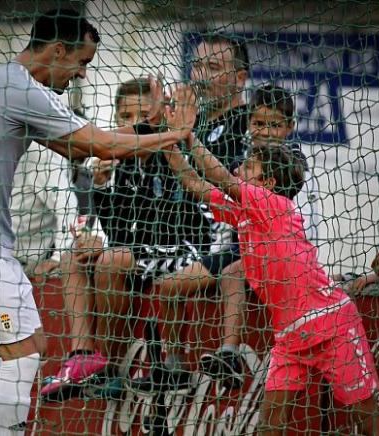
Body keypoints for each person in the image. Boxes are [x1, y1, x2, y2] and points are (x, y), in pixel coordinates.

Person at [0, 9, 192, 435]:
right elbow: (100, 145)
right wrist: (173, 135)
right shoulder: (22, 87)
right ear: (58, 50)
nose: (82, 76)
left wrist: (145, 130)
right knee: (24, 356)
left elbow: (76, 150)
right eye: (82, 63)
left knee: (30, 348)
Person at [160, 85, 379, 435]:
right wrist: (169, 141)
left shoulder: (274, 206)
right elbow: (195, 182)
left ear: (266, 181)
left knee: (371, 424)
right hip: (290, 339)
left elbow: (219, 176)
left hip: (331, 326)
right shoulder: (244, 212)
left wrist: (190, 137)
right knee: (269, 427)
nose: (240, 167)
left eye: (248, 166)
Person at [40, 77, 210, 399]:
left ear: (161, 115)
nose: (135, 125)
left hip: (186, 249)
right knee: (72, 260)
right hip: (142, 254)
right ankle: (81, 356)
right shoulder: (119, 161)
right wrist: (102, 188)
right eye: (126, 118)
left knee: (111, 259)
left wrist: (111, 248)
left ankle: (111, 370)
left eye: (144, 115)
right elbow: (119, 233)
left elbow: (171, 224)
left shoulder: (173, 150)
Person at [193, 85, 323, 388]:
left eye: (274, 124)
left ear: (290, 127)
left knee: (233, 273)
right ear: (249, 122)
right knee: (173, 283)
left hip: (277, 256)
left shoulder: (292, 161)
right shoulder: (243, 157)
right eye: (259, 123)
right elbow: (222, 198)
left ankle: (229, 351)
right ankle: (170, 366)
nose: (265, 131)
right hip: (242, 246)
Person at [144, 34, 251, 389]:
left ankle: (200, 360)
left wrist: (180, 135)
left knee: (167, 284)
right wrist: (159, 128)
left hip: (235, 249)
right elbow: (157, 184)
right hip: (187, 246)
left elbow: (228, 188)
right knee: (123, 263)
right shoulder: (194, 121)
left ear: (240, 77)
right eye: (197, 65)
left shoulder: (251, 124)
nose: (201, 75)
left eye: (214, 67)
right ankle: (160, 366)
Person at [10, 141, 79, 274]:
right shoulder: (40, 151)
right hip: (7, 259)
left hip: (19, 263)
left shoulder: (41, 151)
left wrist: (59, 256)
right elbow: (66, 206)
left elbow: (66, 206)